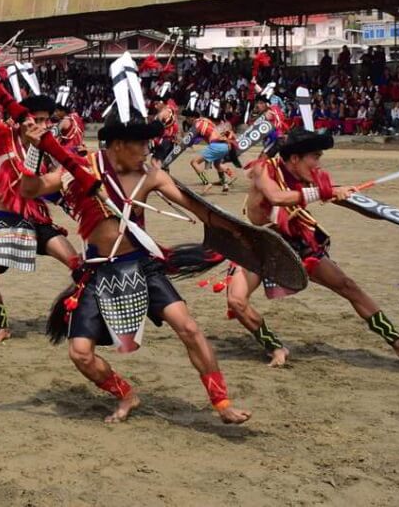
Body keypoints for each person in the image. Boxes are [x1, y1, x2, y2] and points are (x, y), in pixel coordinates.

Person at [19, 113, 250, 425]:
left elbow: (199, 209)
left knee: (190, 329)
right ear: (117, 145)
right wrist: (34, 150)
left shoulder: (150, 175)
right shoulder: (80, 168)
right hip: (99, 272)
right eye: (140, 143)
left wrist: (242, 235)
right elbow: (29, 190)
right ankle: (126, 392)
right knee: (80, 353)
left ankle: (221, 402)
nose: (147, 148)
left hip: (142, 266)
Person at [225, 126, 399, 366]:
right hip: (258, 242)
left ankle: (396, 342)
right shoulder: (264, 170)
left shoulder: (312, 179)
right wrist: (327, 192)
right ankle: (275, 347)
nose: (318, 163)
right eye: (315, 156)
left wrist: (379, 211)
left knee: (347, 286)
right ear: (294, 158)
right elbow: (276, 198)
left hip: (294, 244)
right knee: (236, 301)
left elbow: (342, 199)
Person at [0, 93, 79, 345]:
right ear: (22, 120)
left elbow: (61, 182)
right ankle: (3, 326)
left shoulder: (51, 148)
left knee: (80, 268)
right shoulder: (3, 136)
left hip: (37, 219)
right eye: (36, 120)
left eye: (46, 120)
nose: (42, 126)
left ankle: (79, 316)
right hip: (6, 218)